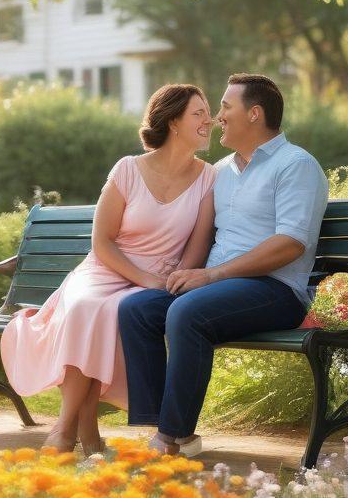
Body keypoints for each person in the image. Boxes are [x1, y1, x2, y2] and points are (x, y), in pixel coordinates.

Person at [0, 84, 217, 456]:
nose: (209, 121)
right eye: (199, 113)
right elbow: (102, 242)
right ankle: (72, 429)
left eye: (209, 113)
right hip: (106, 270)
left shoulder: (209, 178)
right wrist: (143, 278)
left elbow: (196, 251)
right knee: (86, 306)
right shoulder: (128, 169)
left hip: (159, 282)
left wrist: (164, 283)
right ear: (173, 122)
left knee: (112, 311)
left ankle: (76, 433)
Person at [118, 73, 328, 455]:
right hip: (220, 286)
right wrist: (184, 272)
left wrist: (212, 275)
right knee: (138, 309)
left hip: (276, 290)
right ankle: (163, 425)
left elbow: (290, 244)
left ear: (254, 114)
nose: (218, 118)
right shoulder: (222, 170)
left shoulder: (296, 165)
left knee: (187, 312)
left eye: (226, 107)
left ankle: (170, 440)